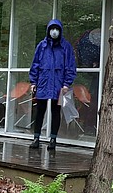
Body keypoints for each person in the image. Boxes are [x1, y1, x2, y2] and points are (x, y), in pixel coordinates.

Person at [29, 19, 77, 150]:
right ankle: (36, 138)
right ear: (48, 30)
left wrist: (67, 83)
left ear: (60, 31)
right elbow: (35, 64)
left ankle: (53, 139)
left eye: (57, 29)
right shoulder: (42, 46)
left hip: (59, 84)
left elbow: (70, 66)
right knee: (39, 110)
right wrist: (33, 82)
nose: (54, 31)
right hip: (43, 82)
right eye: (52, 28)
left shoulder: (65, 47)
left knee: (56, 111)